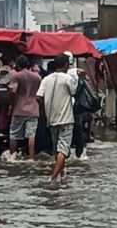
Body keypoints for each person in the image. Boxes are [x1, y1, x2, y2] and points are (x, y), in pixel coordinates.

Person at [36, 54, 78, 182]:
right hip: (66, 118)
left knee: (57, 150)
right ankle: (54, 177)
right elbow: (74, 92)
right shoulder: (67, 79)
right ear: (66, 65)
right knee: (63, 149)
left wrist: (44, 108)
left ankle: (61, 175)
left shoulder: (46, 79)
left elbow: (38, 96)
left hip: (52, 119)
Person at [7, 55, 41, 161]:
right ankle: (31, 157)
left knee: (14, 134)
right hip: (33, 109)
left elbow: (13, 91)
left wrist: (11, 104)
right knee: (31, 135)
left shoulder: (17, 76)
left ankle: (12, 157)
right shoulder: (37, 77)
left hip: (19, 109)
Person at [63, 51, 86, 159]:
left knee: (66, 129)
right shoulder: (76, 72)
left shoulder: (65, 73)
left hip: (66, 104)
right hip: (76, 104)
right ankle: (79, 153)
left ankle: (65, 153)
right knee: (78, 128)